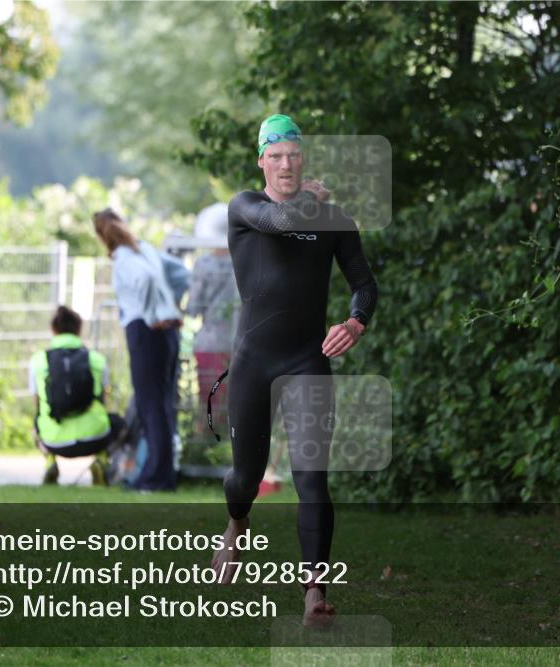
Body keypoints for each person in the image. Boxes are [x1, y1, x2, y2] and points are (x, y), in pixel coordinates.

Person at [209, 114, 378, 628]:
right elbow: (282, 223)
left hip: (307, 361)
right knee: (246, 476)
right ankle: (236, 527)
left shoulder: (335, 219)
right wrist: (310, 198)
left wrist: (356, 321)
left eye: (294, 155)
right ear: (261, 160)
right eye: (275, 155)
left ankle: (314, 593)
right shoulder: (245, 207)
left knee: (312, 479)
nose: (285, 163)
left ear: (303, 159)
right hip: (255, 362)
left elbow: (364, 284)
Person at [93, 208, 190, 492]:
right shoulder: (145, 249)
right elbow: (182, 274)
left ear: (102, 235)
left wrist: (151, 315)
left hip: (146, 331)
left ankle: (155, 479)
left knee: (151, 406)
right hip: (168, 330)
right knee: (163, 405)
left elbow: (145, 281)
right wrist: (170, 306)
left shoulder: (123, 258)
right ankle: (162, 475)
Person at [30, 305, 126, 486]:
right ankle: (102, 459)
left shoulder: (38, 360)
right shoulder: (96, 359)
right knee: (119, 424)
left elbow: (37, 402)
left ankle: (50, 461)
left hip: (53, 439)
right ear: (79, 329)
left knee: (36, 421)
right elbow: (104, 399)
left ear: (53, 329)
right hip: (95, 438)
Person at [185, 203, 239, 436]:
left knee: (208, 397)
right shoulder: (242, 261)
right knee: (234, 399)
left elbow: (193, 308)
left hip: (210, 342)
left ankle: (205, 441)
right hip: (238, 340)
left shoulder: (204, 265)